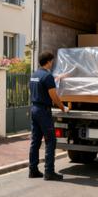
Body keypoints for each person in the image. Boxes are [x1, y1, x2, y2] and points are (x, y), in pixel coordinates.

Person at [28, 51, 68, 181]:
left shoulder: (34, 75)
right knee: (51, 141)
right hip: (43, 111)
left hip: (34, 108)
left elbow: (41, 87)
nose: (53, 63)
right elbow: (54, 96)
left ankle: (33, 170)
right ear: (49, 62)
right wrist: (63, 107)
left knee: (35, 141)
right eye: (52, 61)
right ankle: (49, 172)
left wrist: (58, 78)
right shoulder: (47, 76)